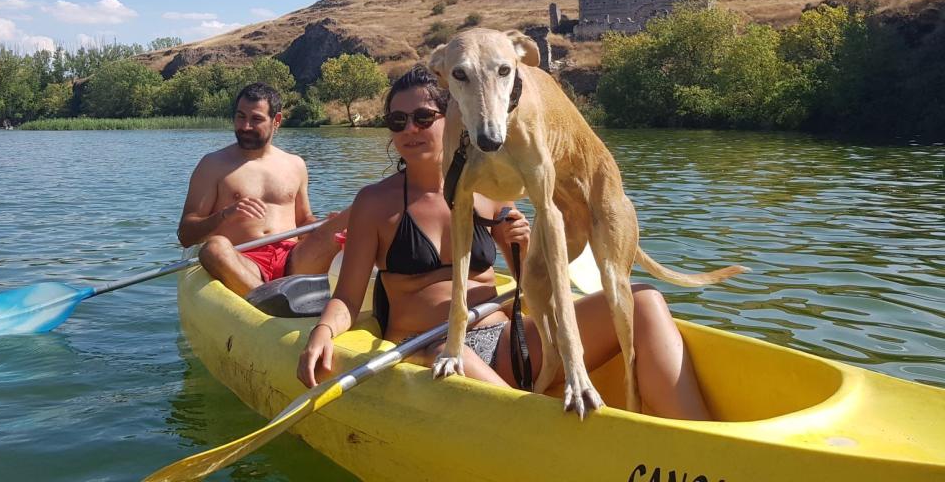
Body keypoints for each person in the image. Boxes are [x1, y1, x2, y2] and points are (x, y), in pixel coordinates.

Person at [297, 65, 712, 420]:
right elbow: (348, 298)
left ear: (453, 116)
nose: (410, 130)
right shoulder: (374, 202)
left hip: (507, 339)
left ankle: (703, 444)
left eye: (423, 117)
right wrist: (323, 330)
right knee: (455, 352)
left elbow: (533, 289)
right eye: (397, 121)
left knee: (644, 300)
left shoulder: (493, 189)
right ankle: (540, 435)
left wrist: (524, 249)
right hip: (428, 347)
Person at [178, 81, 347, 297]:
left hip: (293, 257)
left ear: (276, 121)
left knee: (352, 217)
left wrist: (325, 224)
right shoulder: (212, 165)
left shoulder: (295, 164)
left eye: (256, 119)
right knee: (213, 248)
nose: (245, 126)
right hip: (243, 260)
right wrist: (224, 215)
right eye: (240, 116)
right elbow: (186, 234)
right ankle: (269, 300)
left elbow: (304, 221)